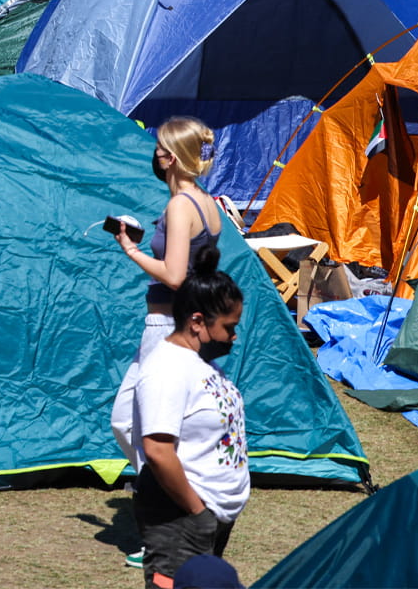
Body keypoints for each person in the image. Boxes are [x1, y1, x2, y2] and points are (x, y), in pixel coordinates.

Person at [109, 116, 222, 567]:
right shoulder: (205, 203)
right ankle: (171, 515)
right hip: (182, 327)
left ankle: (172, 520)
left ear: (170, 156)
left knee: (133, 422)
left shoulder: (179, 206)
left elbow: (175, 275)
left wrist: (133, 251)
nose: (153, 154)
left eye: (158, 147)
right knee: (145, 426)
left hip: (165, 328)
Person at [132, 246, 248, 585]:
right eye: (229, 327)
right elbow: (157, 449)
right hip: (180, 519)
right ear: (197, 321)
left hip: (209, 514)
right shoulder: (166, 369)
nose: (234, 336)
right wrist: (197, 513)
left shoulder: (197, 363)